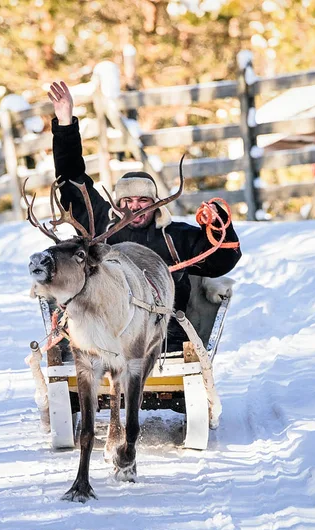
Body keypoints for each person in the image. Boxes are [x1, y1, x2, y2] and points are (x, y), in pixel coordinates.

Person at [47, 80, 242, 351]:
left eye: (143, 200)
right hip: (108, 335)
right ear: (117, 202)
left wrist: (219, 224)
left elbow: (221, 259)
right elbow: (70, 179)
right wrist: (65, 122)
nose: (135, 207)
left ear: (156, 203)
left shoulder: (175, 236)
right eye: (127, 200)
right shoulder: (101, 226)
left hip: (166, 336)